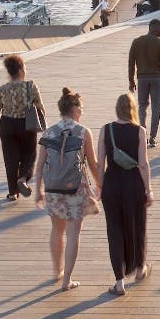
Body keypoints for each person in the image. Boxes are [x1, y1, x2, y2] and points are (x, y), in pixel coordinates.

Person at [34, 88, 102, 292]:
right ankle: (67, 280)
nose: (82, 112)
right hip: (76, 189)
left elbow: (40, 164)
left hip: (53, 188)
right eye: (81, 108)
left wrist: (38, 189)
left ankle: (57, 271)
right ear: (74, 109)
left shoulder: (49, 132)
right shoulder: (83, 132)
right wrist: (100, 184)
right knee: (73, 233)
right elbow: (93, 163)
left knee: (57, 230)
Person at [99, 92, 152, 297]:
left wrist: (100, 188)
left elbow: (99, 163)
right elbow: (143, 163)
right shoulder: (139, 131)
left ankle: (119, 282)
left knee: (114, 232)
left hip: (111, 185)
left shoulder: (106, 130)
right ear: (132, 109)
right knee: (138, 226)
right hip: (133, 186)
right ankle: (140, 269)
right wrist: (149, 189)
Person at [0, 54, 48, 201]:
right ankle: (23, 178)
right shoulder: (30, 86)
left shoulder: (2, 89)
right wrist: (43, 121)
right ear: (20, 70)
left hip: (7, 125)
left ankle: (13, 192)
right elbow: (40, 107)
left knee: (10, 159)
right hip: (26, 125)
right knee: (29, 154)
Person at [127, 17, 160, 148]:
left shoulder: (136, 42)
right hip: (157, 79)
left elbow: (131, 63)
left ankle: (143, 135)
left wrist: (131, 80)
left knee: (142, 107)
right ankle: (152, 137)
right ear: (154, 28)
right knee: (156, 108)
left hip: (141, 79)